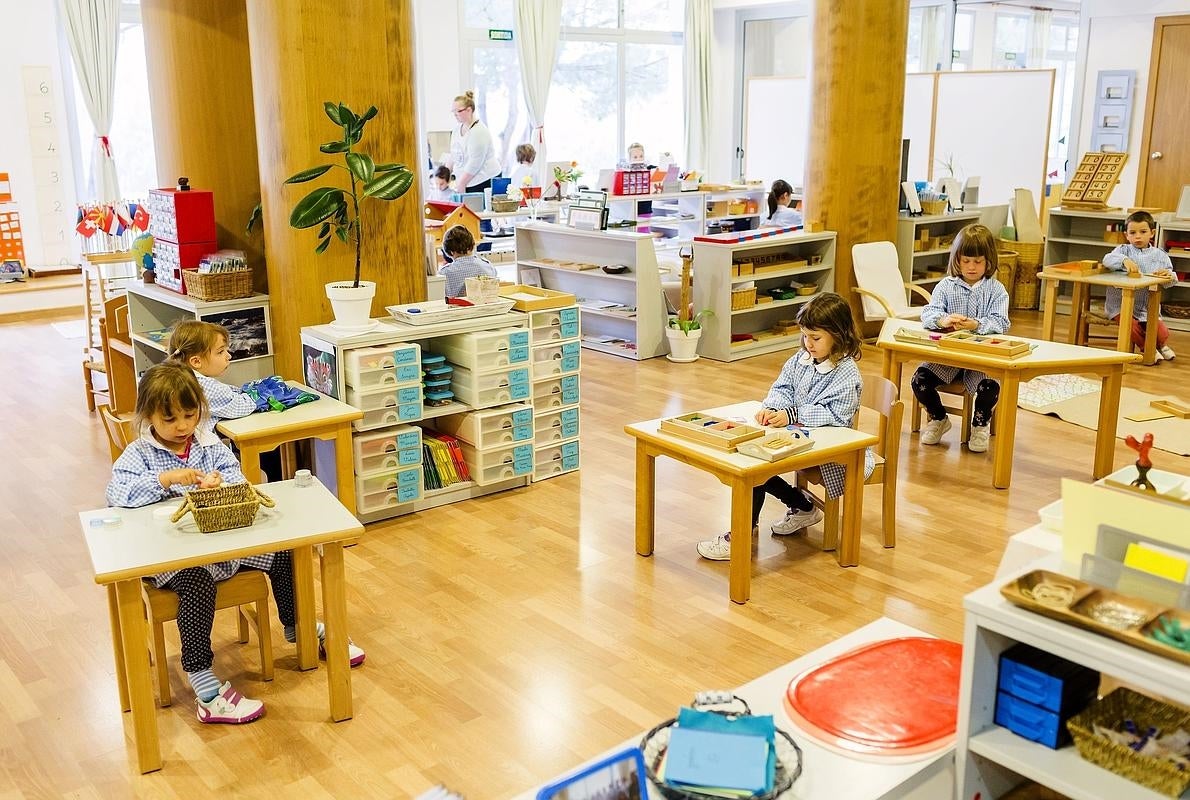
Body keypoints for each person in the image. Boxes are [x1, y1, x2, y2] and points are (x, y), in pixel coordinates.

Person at [105, 364, 367, 724]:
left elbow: (237, 478)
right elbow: (117, 494)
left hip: (225, 549)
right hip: (175, 563)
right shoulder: (140, 455)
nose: (182, 426)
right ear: (148, 417)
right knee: (196, 584)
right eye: (170, 419)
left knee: (284, 552)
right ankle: (205, 687)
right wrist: (165, 479)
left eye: (189, 415)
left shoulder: (209, 445)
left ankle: (299, 627)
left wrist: (220, 483)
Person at [696, 293, 874, 561]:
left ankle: (742, 534)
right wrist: (773, 407)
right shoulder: (800, 359)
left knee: (755, 469)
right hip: (798, 436)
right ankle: (801, 506)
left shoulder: (846, 372)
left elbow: (836, 415)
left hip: (834, 449)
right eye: (805, 336)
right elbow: (782, 387)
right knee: (752, 461)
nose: (808, 344)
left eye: (816, 338)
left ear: (838, 335)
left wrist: (792, 414)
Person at [912, 223, 1010, 453]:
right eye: (966, 261)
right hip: (947, 357)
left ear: (989, 261)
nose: (971, 267)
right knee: (919, 379)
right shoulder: (946, 287)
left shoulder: (997, 290)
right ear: (957, 259)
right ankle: (938, 418)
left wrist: (978, 324)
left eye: (977, 261)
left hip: (980, 359)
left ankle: (980, 424)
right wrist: (943, 320)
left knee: (990, 386)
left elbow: (1002, 324)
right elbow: (928, 314)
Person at [1102, 209, 1177, 361]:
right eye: (1133, 233)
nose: (1137, 236)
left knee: (1162, 332)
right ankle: (1147, 349)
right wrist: (1124, 260)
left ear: (1152, 233)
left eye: (1143, 232)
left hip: (1148, 307)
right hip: (1121, 305)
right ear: (1126, 235)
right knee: (1131, 327)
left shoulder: (1160, 255)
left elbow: (1171, 278)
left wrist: (1168, 275)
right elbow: (1107, 260)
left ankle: (1160, 345)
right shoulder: (1122, 250)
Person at [166, 320, 255, 431]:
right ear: (196, 362)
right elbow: (240, 406)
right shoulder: (200, 386)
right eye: (220, 352)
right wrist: (260, 394)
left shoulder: (174, 376)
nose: (229, 356)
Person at [448, 90, 502, 194]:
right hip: (467, 180)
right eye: (453, 111)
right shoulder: (456, 130)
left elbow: (475, 163)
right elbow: (453, 154)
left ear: (469, 110)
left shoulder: (478, 132)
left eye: (458, 111)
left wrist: (462, 183)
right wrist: (445, 174)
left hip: (484, 180)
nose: (455, 114)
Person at [440, 225, 497, 298]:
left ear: (450, 251)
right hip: (487, 307)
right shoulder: (488, 266)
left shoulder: (444, 273)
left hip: (458, 308)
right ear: (472, 245)